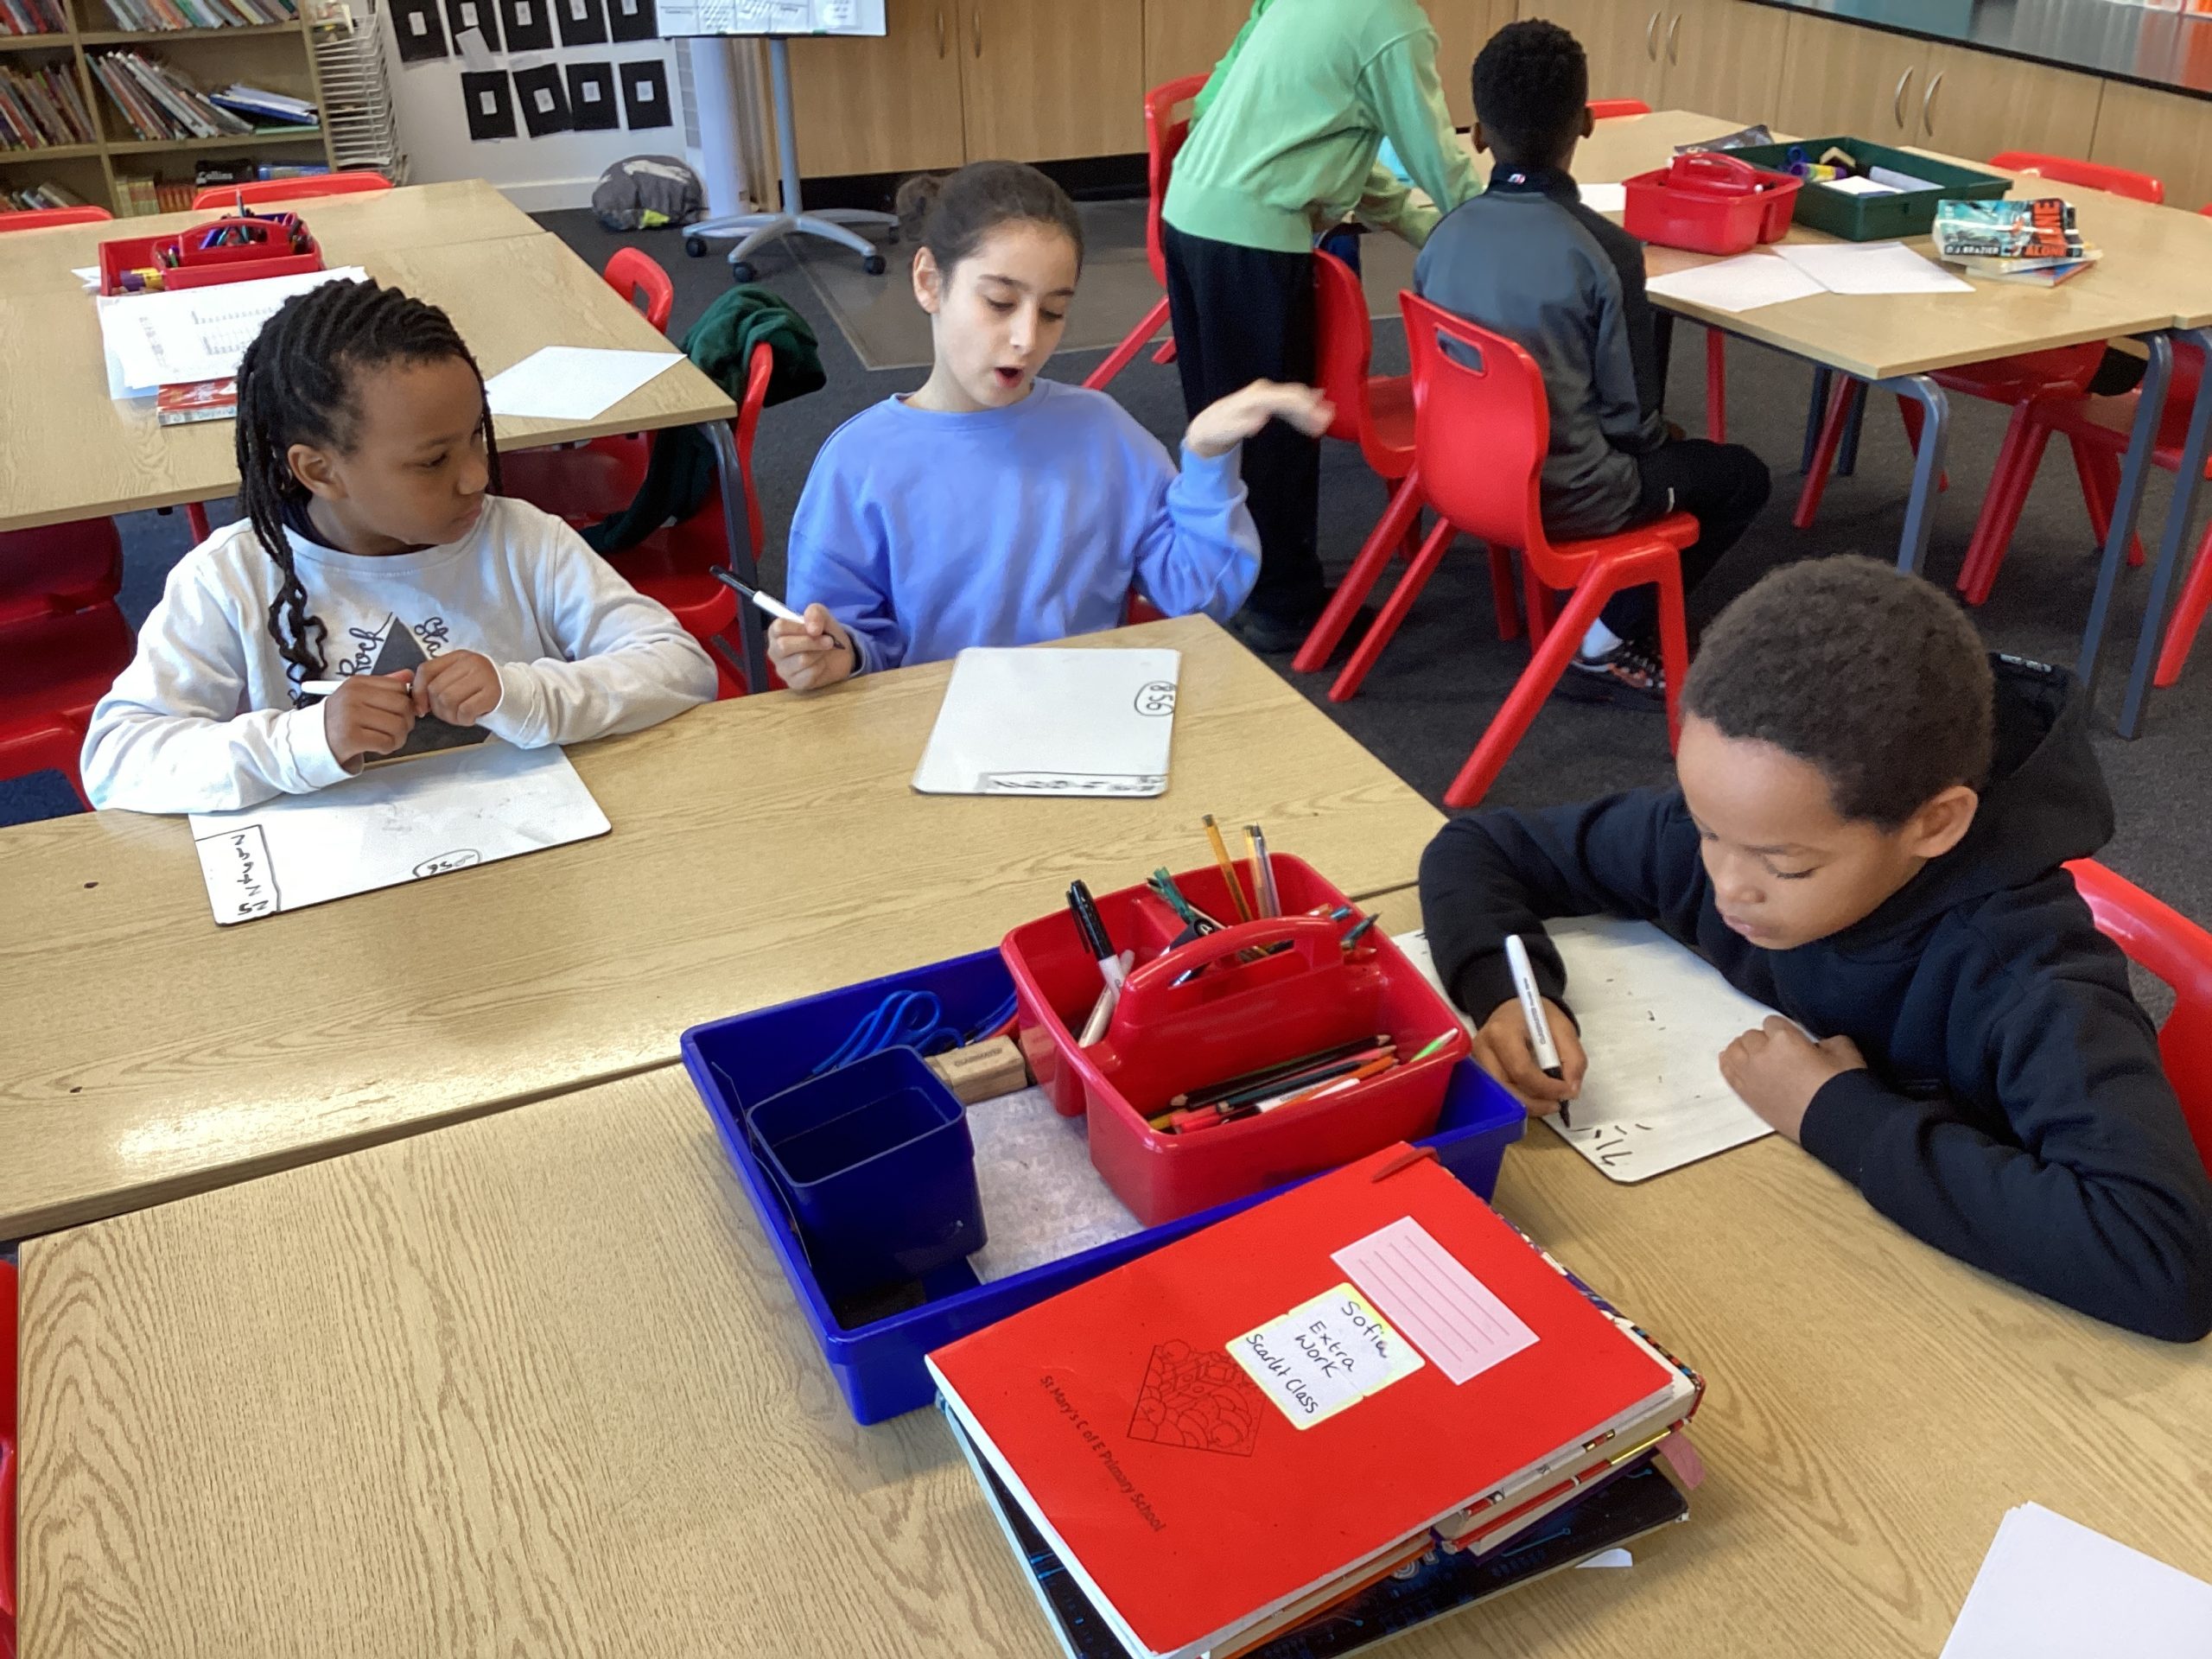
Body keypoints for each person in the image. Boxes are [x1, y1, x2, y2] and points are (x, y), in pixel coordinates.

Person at [1419, 556, 2212, 1341]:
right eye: (1708, 830)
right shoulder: (1754, 824)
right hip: (1781, 1252)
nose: (1728, 886)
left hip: (1959, 1331)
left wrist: (1831, 1111)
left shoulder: (2026, 978)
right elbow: (1481, 848)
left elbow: (2164, 1261)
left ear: (1933, 825)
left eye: (1787, 867)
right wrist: (1507, 991)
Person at [80, 280, 717, 815]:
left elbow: (681, 667)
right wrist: (307, 740)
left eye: (477, 435)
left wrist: (519, 693)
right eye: (433, 461)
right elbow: (115, 760)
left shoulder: (524, 541)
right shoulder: (231, 578)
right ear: (320, 471)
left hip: (530, 840)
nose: (477, 476)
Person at [771, 161, 1330, 690]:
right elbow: (841, 638)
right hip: (931, 733)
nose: (1027, 339)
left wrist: (1207, 459)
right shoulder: (859, 462)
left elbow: (1201, 595)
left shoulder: (1101, 433)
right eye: (1000, 302)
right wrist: (836, 653)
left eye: (1053, 312)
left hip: (1083, 724)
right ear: (929, 281)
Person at [1415, 19, 1771, 708]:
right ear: (1584, 122)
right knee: (1740, 478)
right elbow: (1632, 422)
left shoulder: (1444, 235)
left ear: (1479, 135)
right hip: (1570, 496)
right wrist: (1660, 442)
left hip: (1461, 470)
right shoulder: (1605, 250)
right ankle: (1603, 640)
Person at [1160, 0, 1482, 654]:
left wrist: (1423, 225)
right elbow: (1434, 156)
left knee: (1225, 418)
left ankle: (1233, 579)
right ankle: (1283, 606)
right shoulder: (1392, 21)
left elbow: (1341, 145)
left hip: (1189, 215)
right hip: (1252, 234)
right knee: (1273, 434)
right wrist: (1491, 228)